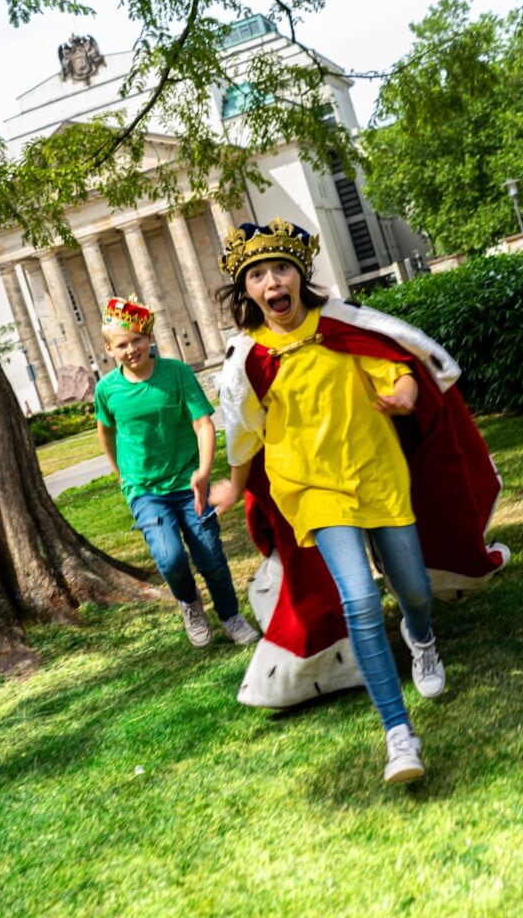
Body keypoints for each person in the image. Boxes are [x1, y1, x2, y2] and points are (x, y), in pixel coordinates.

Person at [210, 217, 452, 784]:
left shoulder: (342, 325)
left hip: (376, 473)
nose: (273, 282)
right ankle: (399, 735)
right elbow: (242, 433)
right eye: (259, 275)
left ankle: (421, 637)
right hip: (312, 488)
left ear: (300, 275)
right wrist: (235, 484)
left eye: (282, 269)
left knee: (411, 587)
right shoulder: (247, 361)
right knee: (361, 600)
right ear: (246, 291)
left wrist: (405, 393)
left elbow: (397, 368)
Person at [94, 294, 259, 649]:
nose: (132, 349)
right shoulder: (107, 390)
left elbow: (203, 423)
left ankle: (230, 615)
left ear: (149, 338)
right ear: (110, 350)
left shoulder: (177, 374)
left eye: (138, 339)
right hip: (145, 489)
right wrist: (121, 474)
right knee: (169, 558)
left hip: (188, 483)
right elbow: (105, 431)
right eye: (122, 344)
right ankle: (189, 602)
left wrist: (202, 471)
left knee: (210, 555)